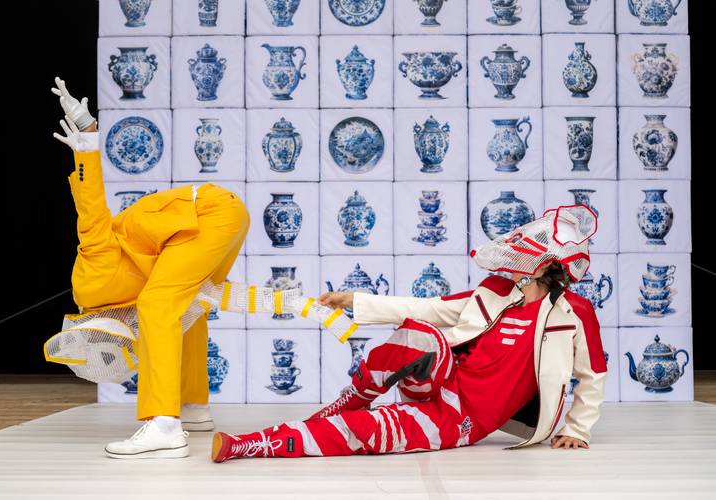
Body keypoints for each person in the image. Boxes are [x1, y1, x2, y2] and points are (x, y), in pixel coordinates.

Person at [210, 205, 607, 461]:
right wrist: (353, 300)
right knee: (420, 333)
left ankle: (249, 444)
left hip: (462, 418)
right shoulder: (495, 290)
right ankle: (354, 396)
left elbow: (592, 374)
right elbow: (426, 309)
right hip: (444, 378)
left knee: (365, 431)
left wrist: (577, 429)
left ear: (546, 264)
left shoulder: (575, 312)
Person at [51, 77, 250, 459]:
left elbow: (91, 212)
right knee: (188, 308)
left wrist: (88, 139)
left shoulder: (91, 281)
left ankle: (165, 426)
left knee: (158, 306)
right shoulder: (118, 303)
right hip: (223, 215)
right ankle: (193, 407)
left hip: (206, 215)